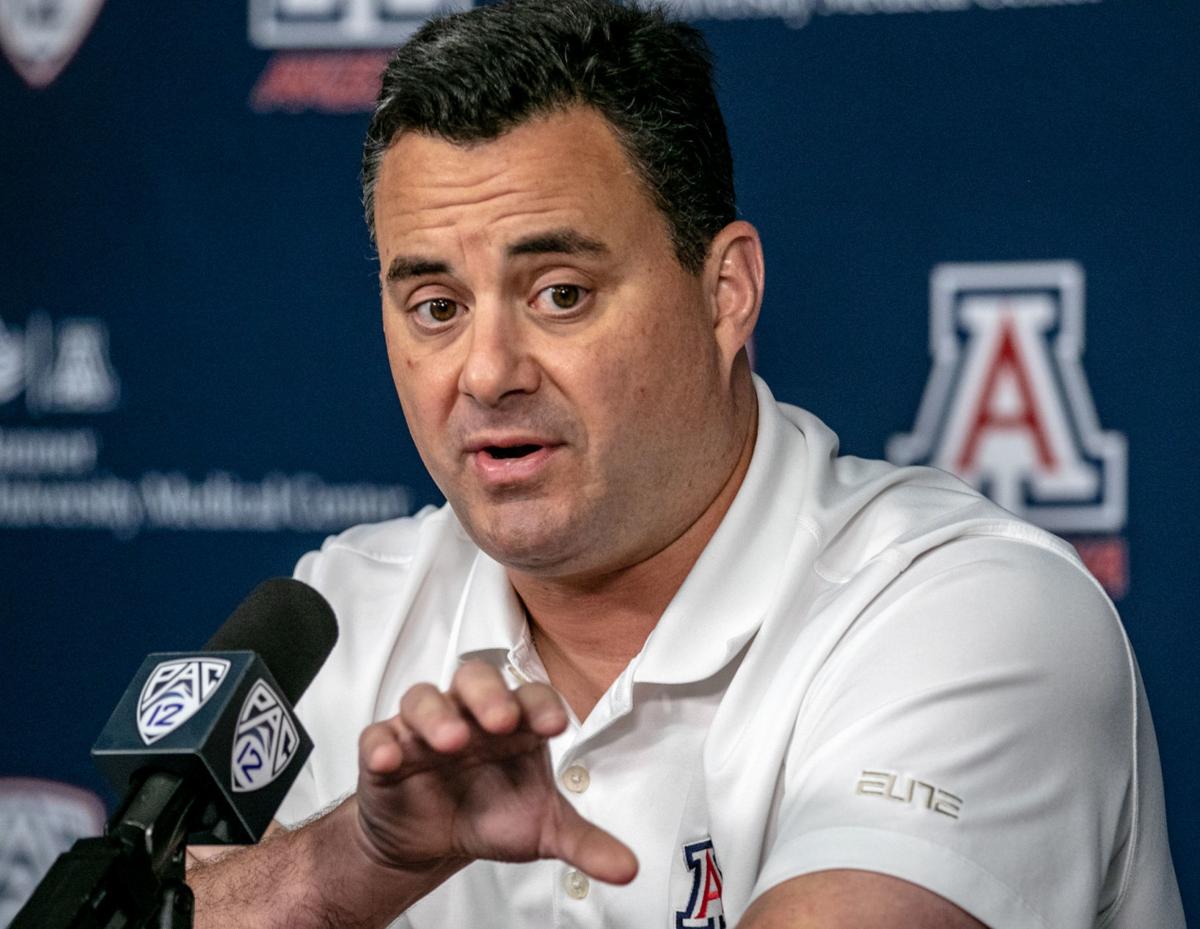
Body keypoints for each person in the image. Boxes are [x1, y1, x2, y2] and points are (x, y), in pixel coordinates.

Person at [189, 1, 1184, 926]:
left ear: (725, 293)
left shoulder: (971, 609)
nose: (486, 373)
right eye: (437, 308)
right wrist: (354, 856)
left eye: (562, 294)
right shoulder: (345, 613)